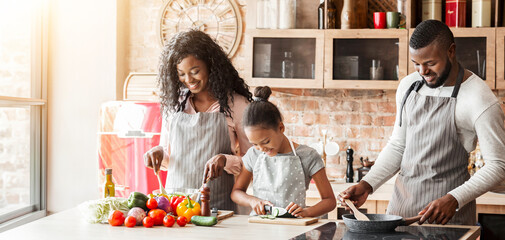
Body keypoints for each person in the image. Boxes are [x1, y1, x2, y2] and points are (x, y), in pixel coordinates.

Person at [339, 20, 505, 225]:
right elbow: (399, 146)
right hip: (400, 214)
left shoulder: (478, 98)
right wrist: (367, 184)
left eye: (430, 63)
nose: (422, 71)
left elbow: (498, 166)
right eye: (416, 63)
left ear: (451, 51)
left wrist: (454, 199)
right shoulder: (409, 86)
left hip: (448, 218)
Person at [143, 30, 252, 211]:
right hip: (177, 207)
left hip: (221, 208)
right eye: (181, 74)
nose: (188, 80)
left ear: (210, 65)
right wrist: (158, 153)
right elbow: (171, 158)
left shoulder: (237, 105)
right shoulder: (175, 105)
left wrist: (226, 160)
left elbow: (254, 162)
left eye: (194, 71)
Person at [231, 86, 336, 217]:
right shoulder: (254, 154)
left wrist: (307, 212)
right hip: (259, 227)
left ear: (281, 128)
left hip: (294, 228)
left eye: (266, 142)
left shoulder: (308, 156)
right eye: (255, 144)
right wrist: (252, 201)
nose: (261, 149)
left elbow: (330, 201)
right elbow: (236, 192)